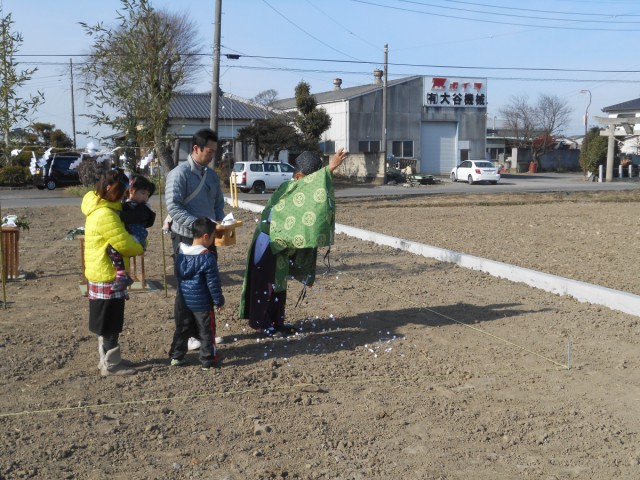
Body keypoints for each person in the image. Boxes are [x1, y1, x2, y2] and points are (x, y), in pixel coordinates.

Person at [239, 148, 348, 337]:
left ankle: (276, 321)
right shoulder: (287, 189)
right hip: (268, 242)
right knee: (266, 284)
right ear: (298, 178)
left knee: (279, 284)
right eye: (310, 182)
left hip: (282, 245)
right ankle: (264, 324)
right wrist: (329, 168)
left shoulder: (296, 189)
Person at [165, 128, 225, 350]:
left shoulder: (211, 176)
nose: (212, 156)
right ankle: (186, 335)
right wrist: (199, 227)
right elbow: (173, 206)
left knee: (207, 285)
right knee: (187, 287)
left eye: (214, 152)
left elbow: (218, 203)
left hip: (208, 239)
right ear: (196, 148)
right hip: (186, 237)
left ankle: (205, 333)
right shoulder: (178, 174)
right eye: (209, 151)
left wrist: (222, 220)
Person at [81, 168, 145, 376]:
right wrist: (141, 245)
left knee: (108, 322)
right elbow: (124, 244)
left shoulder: (100, 206)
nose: (125, 196)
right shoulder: (105, 214)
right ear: (110, 190)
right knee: (111, 323)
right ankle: (111, 365)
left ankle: (109, 359)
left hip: (102, 272)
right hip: (107, 275)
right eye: (122, 192)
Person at [169, 217, 225, 370]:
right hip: (202, 303)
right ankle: (208, 361)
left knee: (182, 328)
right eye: (213, 236)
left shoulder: (180, 252)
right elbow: (213, 283)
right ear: (206, 236)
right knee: (206, 331)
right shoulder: (207, 257)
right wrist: (219, 301)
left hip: (183, 300)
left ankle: (176, 356)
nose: (213, 240)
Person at [106, 175, 156, 291]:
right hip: (130, 235)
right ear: (132, 191)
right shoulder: (127, 204)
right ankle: (121, 273)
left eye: (147, 195)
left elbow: (131, 217)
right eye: (143, 193)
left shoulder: (144, 209)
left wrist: (117, 214)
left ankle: (122, 274)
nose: (145, 197)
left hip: (137, 238)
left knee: (113, 247)